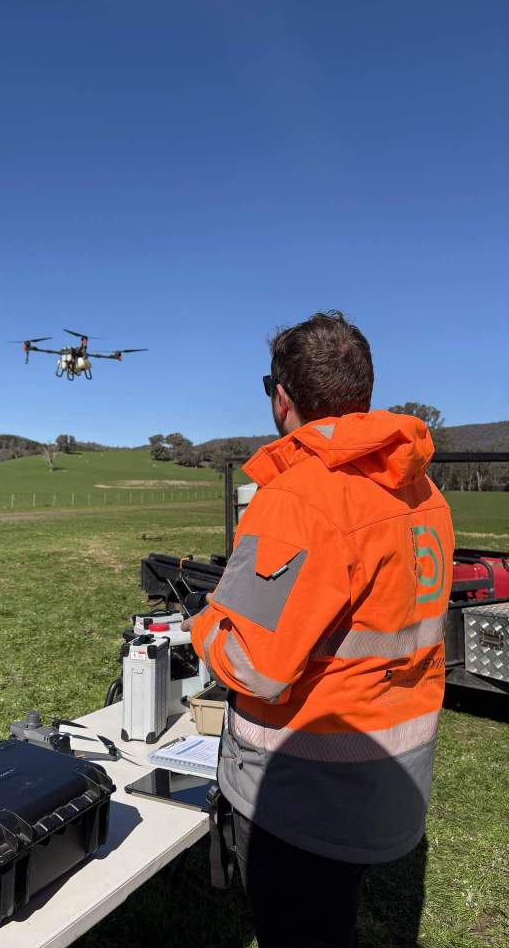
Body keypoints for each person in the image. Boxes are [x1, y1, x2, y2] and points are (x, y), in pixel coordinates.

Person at [189, 311, 454, 948]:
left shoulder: (300, 497)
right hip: (392, 778)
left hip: (305, 796)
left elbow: (255, 664)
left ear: (283, 397)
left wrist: (205, 625)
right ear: (361, 392)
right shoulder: (422, 491)